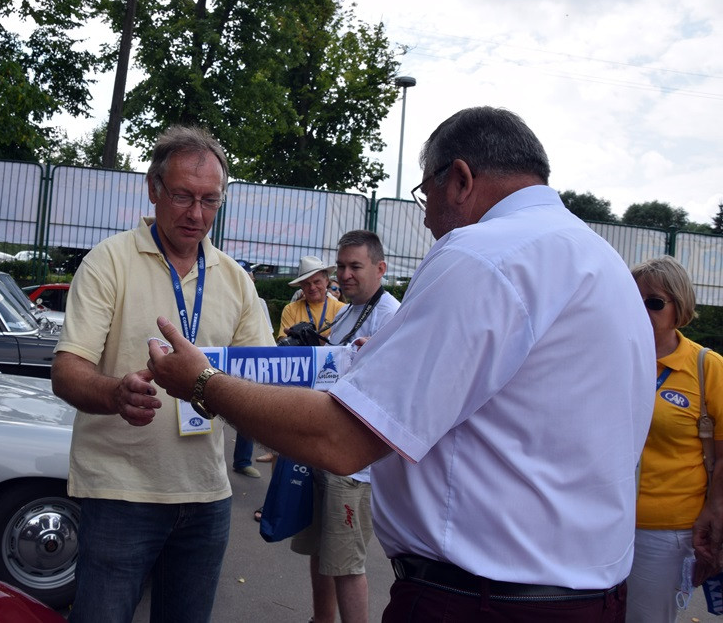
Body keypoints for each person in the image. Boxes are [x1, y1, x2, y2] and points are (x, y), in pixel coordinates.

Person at [146, 106, 655, 622]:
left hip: (479, 601)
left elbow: (340, 440)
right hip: (588, 597)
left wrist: (202, 382)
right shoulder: (601, 261)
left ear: (459, 178)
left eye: (425, 197)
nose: (429, 220)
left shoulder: (481, 256)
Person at [50, 125, 274, 623]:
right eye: (182, 196)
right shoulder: (108, 262)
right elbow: (66, 372)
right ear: (152, 189)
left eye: (210, 201)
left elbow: (267, 378)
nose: (197, 215)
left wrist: (333, 374)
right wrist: (115, 393)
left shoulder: (235, 279)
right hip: (119, 493)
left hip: (208, 495)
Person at [290, 229, 400, 623]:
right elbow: (335, 373)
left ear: (380, 268)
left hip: (355, 466)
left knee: (347, 563)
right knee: (322, 551)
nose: (345, 274)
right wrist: (313, 352)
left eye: (355, 266)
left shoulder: (392, 316)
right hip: (326, 450)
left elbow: (398, 392)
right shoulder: (347, 312)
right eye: (341, 266)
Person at [627, 256, 723, 622]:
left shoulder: (706, 367)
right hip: (599, 520)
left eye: (654, 302)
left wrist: (716, 511)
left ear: (678, 307)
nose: (641, 309)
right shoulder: (610, 357)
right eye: (632, 299)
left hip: (665, 533)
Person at [231, 259, 268, 479]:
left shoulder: (260, 302)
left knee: (245, 414)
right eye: (244, 275)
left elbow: (264, 335)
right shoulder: (221, 295)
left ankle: (242, 461)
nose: (248, 279)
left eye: (250, 276)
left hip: (249, 363)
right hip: (222, 361)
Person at [278, 256, 346, 342]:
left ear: (327, 281)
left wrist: (301, 340)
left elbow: (345, 342)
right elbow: (283, 342)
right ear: (301, 286)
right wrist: (324, 340)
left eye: (316, 282)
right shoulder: (290, 309)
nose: (312, 287)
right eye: (306, 284)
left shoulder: (342, 309)